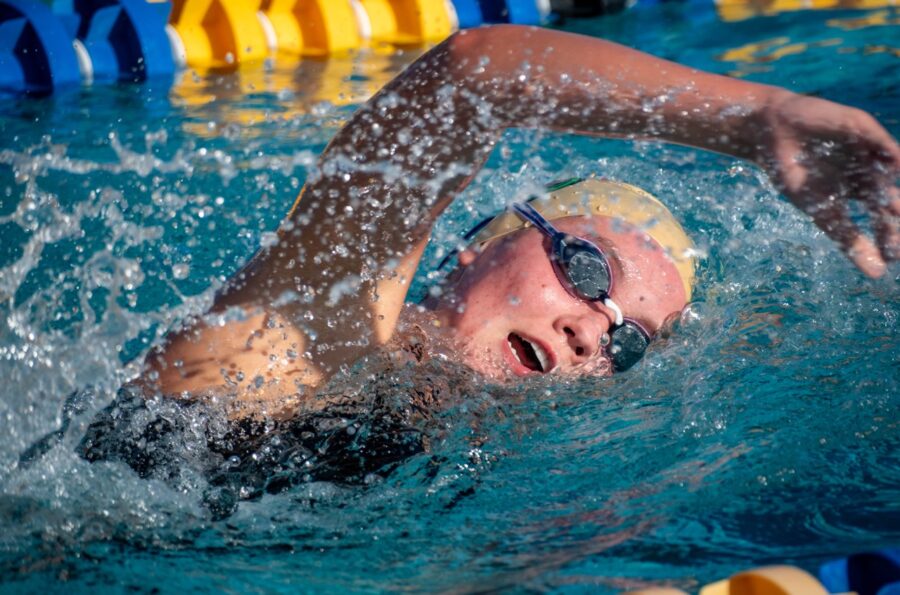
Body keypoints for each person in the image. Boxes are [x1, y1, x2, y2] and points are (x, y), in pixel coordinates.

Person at [140, 24, 900, 420]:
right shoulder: (313, 327)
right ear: (482, 246)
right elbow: (471, 80)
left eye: (628, 342)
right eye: (590, 271)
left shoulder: (478, 482)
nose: (593, 331)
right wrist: (751, 119)